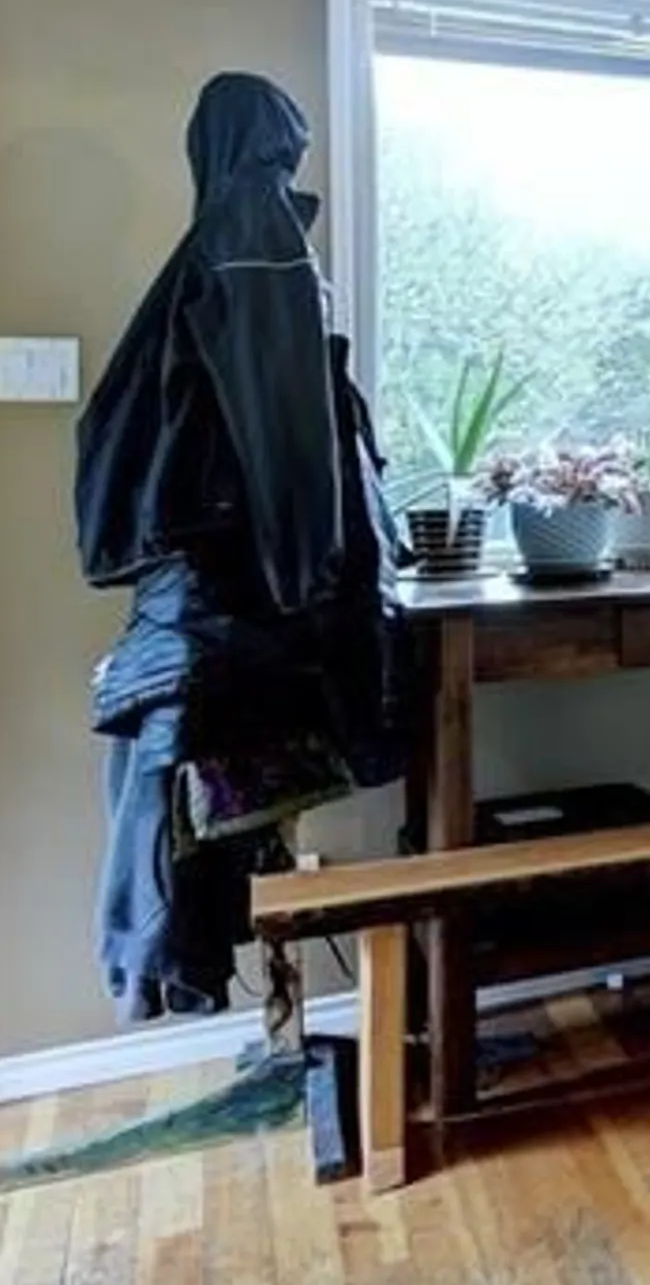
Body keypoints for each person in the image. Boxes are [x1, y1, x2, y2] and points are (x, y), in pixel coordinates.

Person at [75, 73, 406, 1021]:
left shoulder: (226, 243)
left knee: (182, 791)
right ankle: (200, 972)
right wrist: (311, 579)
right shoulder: (256, 240)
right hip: (251, 592)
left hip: (217, 589)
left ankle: (178, 965)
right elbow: (285, 420)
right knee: (200, 796)